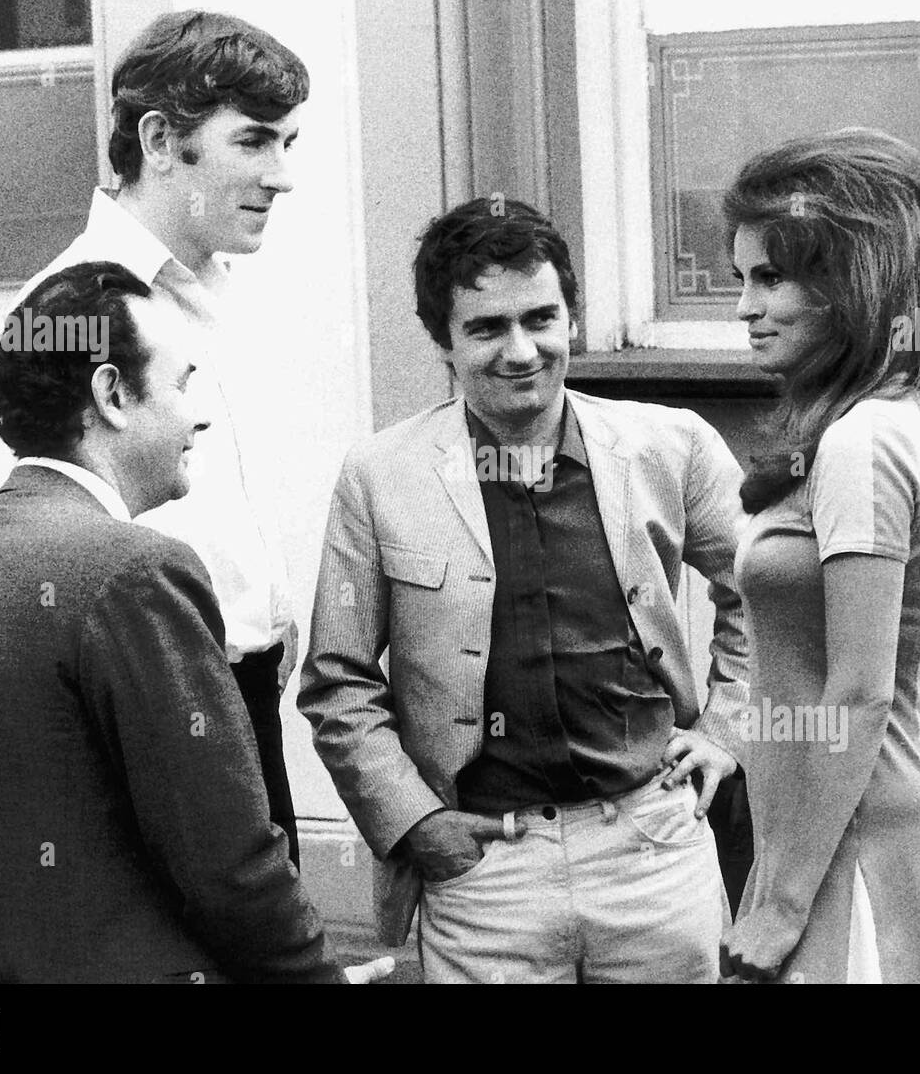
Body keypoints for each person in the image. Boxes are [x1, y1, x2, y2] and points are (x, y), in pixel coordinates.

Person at [0, 10, 308, 863]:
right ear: (159, 139)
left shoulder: (210, 289)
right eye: (254, 142)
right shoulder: (80, 306)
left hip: (239, 705)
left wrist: (261, 618)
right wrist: (118, 652)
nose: (281, 174)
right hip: (161, 734)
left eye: (288, 143)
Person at [0, 262, 379, 983]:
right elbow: (229, 860)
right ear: (111, 394)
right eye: (181, 383)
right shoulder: (135, 573)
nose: (198, 415)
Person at [298, 197, 750, 983]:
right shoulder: (381, 476)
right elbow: (336, 680)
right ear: (443, 339)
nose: (521, 350)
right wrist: (418, 822)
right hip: (483, 871)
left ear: (571, 318)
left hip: (651, 847)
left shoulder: (669, 446)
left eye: (541, 318)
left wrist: (728, 728)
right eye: (485, 328)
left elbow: (771, 596)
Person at [719, 129, 920, 983]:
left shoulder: (864, 440)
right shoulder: (880, 419)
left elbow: (862, 691)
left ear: (845, 284)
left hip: (860, 842)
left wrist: (781, 901)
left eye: (772, 277)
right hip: (839, 831)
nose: (745, 307)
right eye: (740, 280)